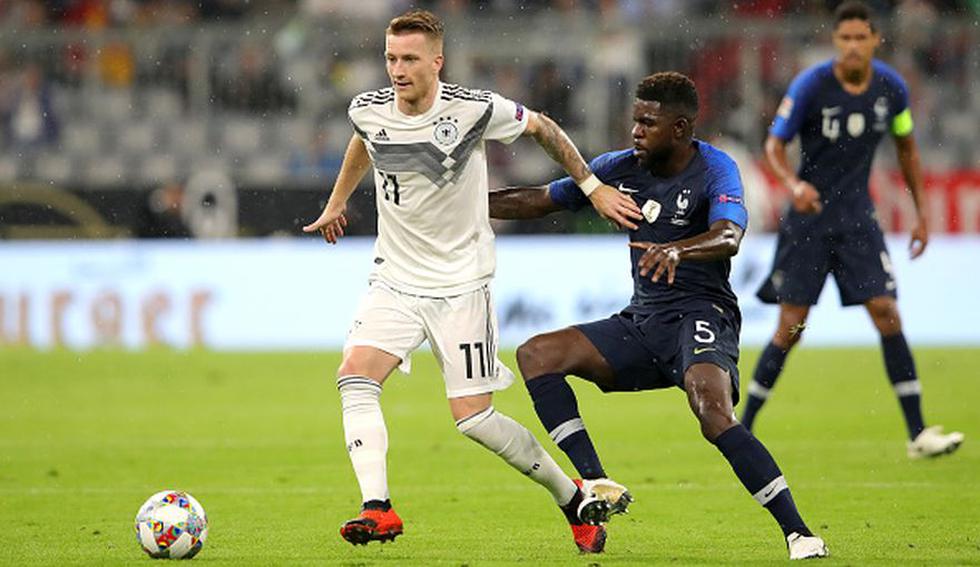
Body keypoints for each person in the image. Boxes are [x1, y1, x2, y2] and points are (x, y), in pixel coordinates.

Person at [301, 9, 643, 553]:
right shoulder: (367, 108)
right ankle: (378, 507)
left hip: (462, 284)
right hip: (393, 276)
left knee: (475, 419)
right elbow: (363, 138)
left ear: (437, 61)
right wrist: (338, 200)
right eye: (391, 57)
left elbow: (545, 129)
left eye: (410, 58)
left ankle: (571, 498)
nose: (397, 69)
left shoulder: (473, 109)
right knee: (354, 377)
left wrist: (593, 185)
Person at [489, 71, 828, 561]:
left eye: (649, 122)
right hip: (643, 322)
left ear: (681, 128)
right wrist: (467, 205)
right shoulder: (618, 168)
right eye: (635, 121)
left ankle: (799, 533)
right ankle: (595, 483)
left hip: (702, 312)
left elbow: (730, 235)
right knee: (536, 354)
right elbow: (541, 199)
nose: (636, 131)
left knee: (713, 414)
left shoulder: (715, 169)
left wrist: (678, 252)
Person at [741, 1, 963, 459]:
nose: (853, 46)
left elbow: (907, 148)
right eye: (845, 38)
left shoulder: (891, 89)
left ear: (875, 40)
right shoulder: (812, 86)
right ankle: (743, 427)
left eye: (861, 38)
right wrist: (792, 184)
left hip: (858, 218)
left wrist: (922, 214)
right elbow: (774, 144)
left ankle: (918, 433)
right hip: (809, 219)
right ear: (836, 41)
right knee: (790, 326)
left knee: (886, 310)